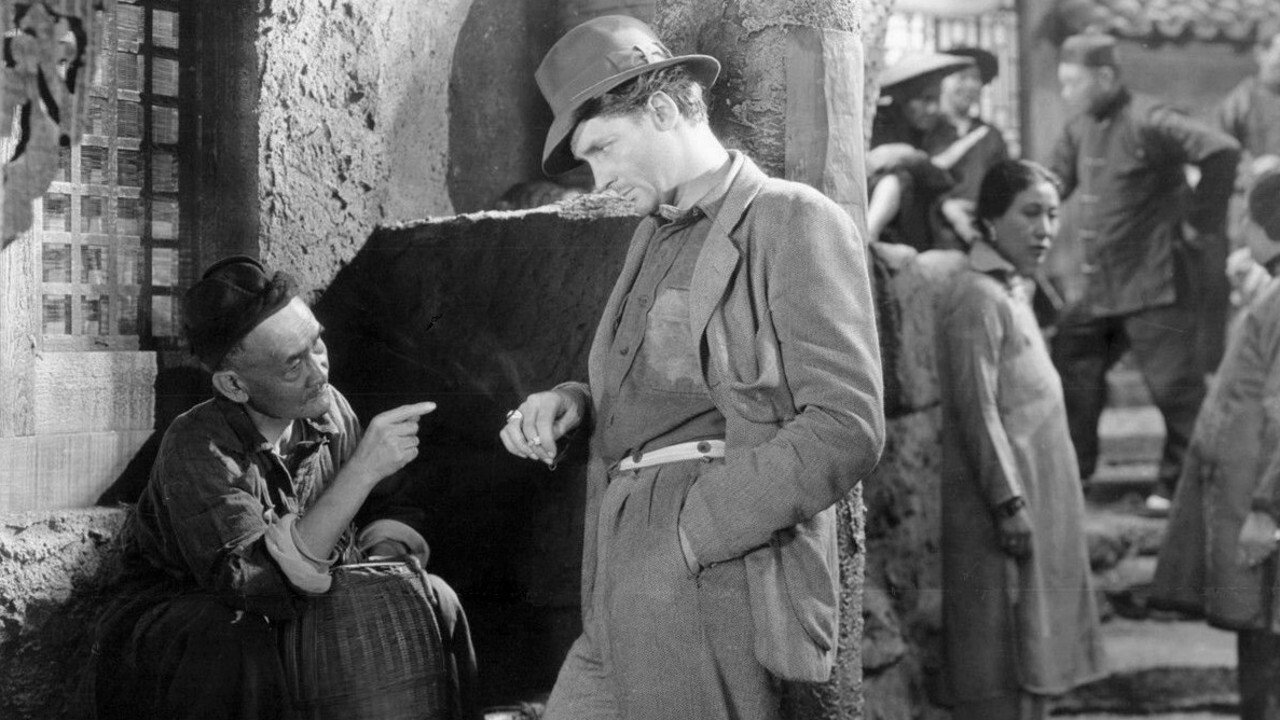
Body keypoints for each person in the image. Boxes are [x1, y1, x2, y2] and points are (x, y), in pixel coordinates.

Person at [500, 15, 885, 720]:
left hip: (709, 563)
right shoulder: (653, 235)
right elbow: (670, 386)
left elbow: (846, 424)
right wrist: (574, 402)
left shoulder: (790, 219)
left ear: (664, 110)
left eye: (603, 148)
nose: (599, 179)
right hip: (616, 560)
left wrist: (696, 532)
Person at [81, 256, 478, 720]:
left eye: (317, 344)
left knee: (435, 598)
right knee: (234, 637)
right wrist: (359, 473)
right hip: (185, 625)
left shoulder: (329, 410)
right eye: (293, 365)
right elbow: (252, 585)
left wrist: (381, 560)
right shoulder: (198, 446)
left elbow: (385, 506)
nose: (319, 372)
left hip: (296, 598)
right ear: (234, 385)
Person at [936, 159, 1106, 720]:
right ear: (990, 220)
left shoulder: (1013, 290)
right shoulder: (976, 296)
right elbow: (977, 408)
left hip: (1041, 491)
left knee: (1037, 640)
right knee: (1003, 651)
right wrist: (1009, 504)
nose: (1045, 230)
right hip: (1006, 502)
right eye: (1030, 213)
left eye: (1053, 215)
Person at [1047, 32, 1240, 513]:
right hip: (1099, 285)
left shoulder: (1149, 119)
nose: (1066, 93)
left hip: (1155, 283)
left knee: (1176, 393)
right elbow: (1050, 183)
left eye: (1072, 83)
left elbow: (1221, 150)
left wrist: (1200, 223)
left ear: (1105, 77)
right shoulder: (1079, 128)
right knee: (1072, 357)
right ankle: (1076, 475)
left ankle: (1179, 490)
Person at [1151, 170, 1280, 720]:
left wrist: (1267, 510)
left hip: (1263, 507)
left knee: (1268, 644)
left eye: (1245, 217)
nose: (1240, 230)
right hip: (1249, 497)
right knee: (1260, 636)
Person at [867, 52, 979, 250]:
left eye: (936, 98)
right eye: (925, 99)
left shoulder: (943, 130)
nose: (933, 108)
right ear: (901, 98)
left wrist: (909, 155)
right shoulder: (880, 124)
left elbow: (942, 177)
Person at [923, 46, 1010, 246]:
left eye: (976, 78)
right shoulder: (927, 130)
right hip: (931, 235)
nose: (970, 85)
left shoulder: (991, 135)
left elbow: (1003, 188)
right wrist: (945, 206)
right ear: (943, 81)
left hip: (980, 232)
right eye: (962, 77)